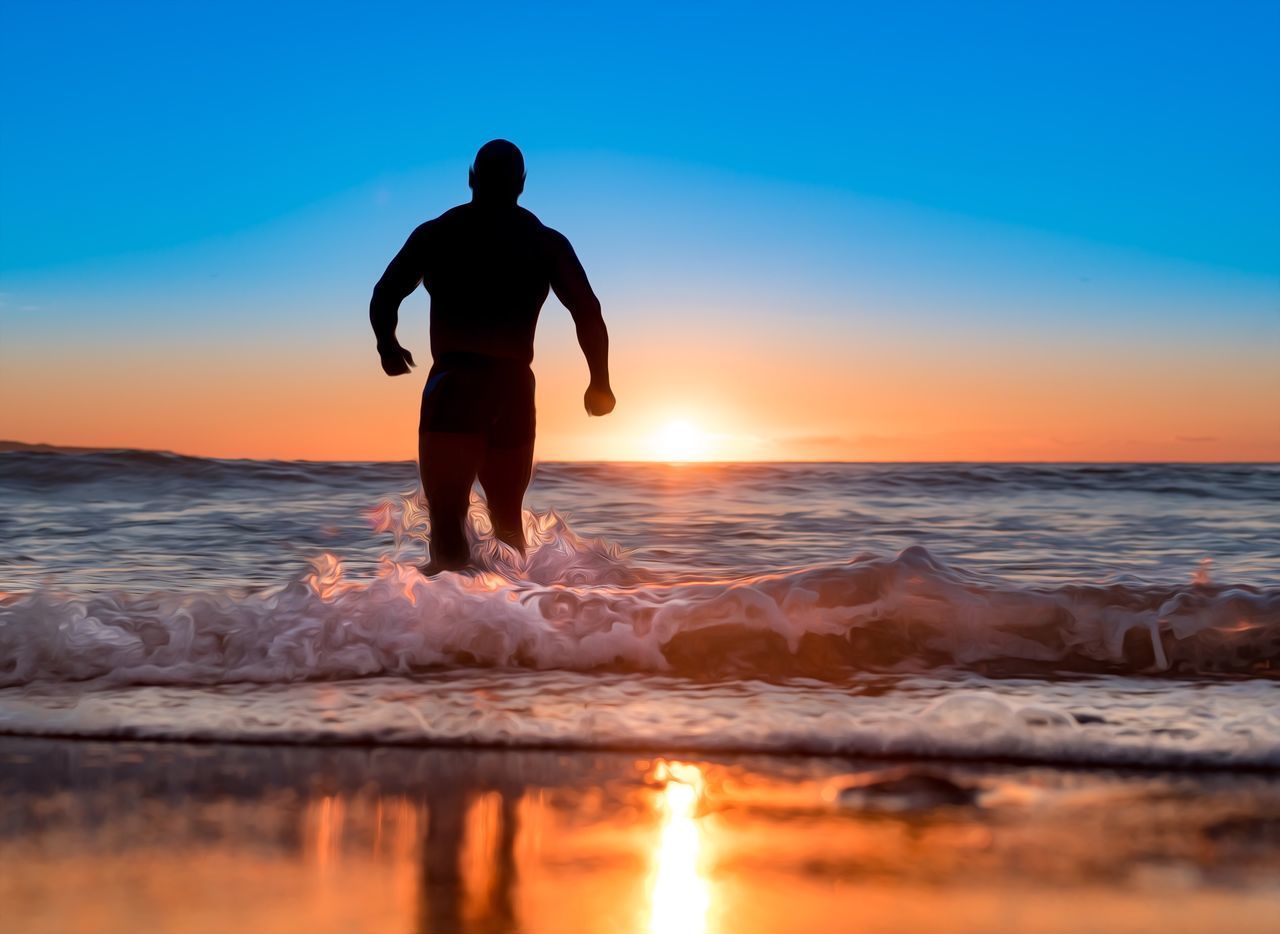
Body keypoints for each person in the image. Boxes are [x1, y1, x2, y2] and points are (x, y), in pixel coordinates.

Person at [370, 140, 615, 575]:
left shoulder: (438, 234)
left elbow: (385, 293)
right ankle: (517, 632)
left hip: (455, 384)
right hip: (512, 388)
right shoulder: (543, 242)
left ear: (471, 178)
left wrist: (387, 344)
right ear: (521, 184)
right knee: (508, 528)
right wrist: (600, 382)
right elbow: (587, 311)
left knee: (447, 527)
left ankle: (450, 639)